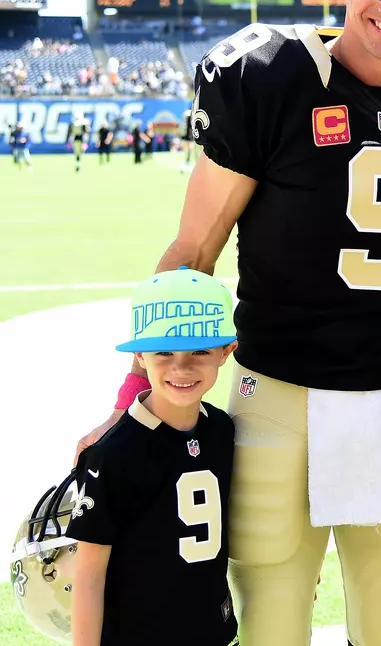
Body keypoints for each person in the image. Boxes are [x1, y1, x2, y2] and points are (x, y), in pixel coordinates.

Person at [75, 0, 381, 646]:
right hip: (278, 393)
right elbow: (194, 252)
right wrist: (134, 397)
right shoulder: (268, 75)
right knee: (272, 613)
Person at [68, 267, 239, 646]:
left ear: (227, 351)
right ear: (140, 357)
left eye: (199, 350)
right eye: (163, 351)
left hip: (214, 633)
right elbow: (89, 575)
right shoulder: (113, 454)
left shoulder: (222, 430)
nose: (181, 366)